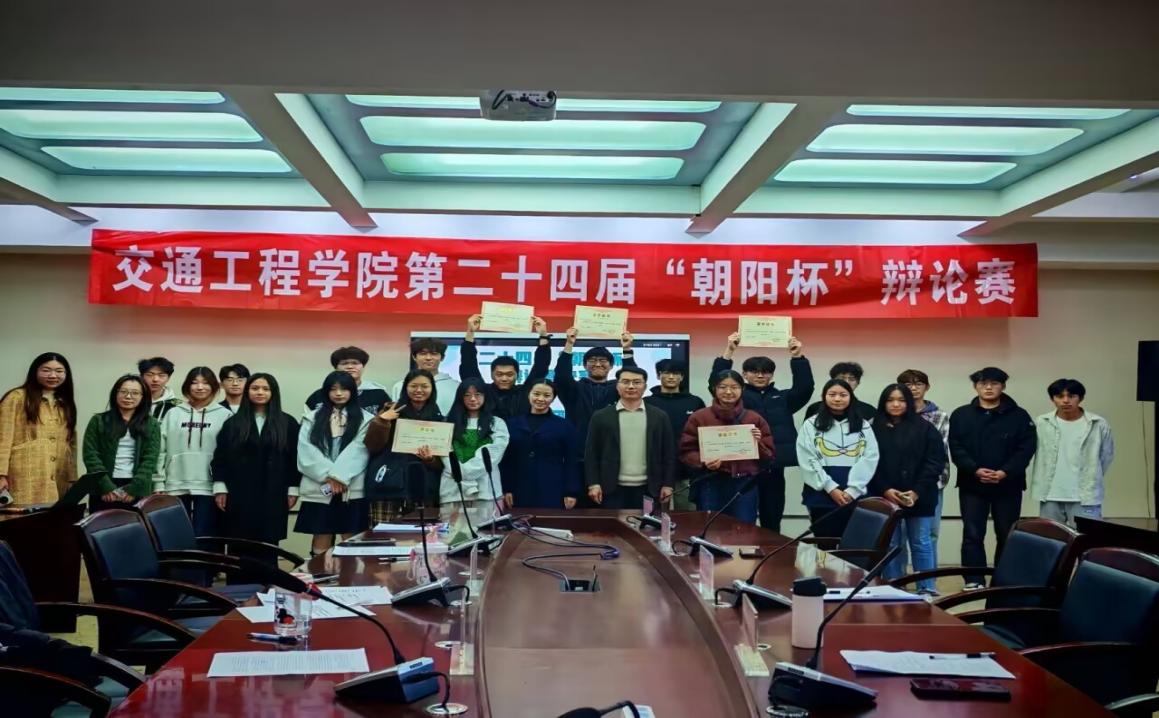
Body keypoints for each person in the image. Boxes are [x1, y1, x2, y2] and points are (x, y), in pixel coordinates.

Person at [711, 333, 813, 532]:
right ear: (744, 374)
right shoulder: (735, 398)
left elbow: (805, 388)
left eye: (765, 372)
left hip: (773, 467)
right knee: (740, 519)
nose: (760, 375)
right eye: (754, 371)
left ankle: (771, 551)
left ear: (771, 375)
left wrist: (797, 357)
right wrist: (729, 351)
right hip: (742, 467)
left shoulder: (783, 398)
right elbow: (716, 384)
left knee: (772, 519)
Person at [949, 367, 1037, 588]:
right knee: (972, 533)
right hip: (972, 484)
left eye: (994, 383)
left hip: (1008, 484)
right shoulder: (961, 414)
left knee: (1007, 534)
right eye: (983, 383)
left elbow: (1026, 448)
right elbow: (956, 447)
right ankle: (973, 579)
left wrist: (1005, 471)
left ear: (1003, 386)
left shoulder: (1019, 416)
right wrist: (975, 469)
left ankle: (1003, 580)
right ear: (975, 386)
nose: (988, 388)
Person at [212, 373, 301, 563]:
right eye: (255, 388)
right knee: (239, 542)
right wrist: (220, 487)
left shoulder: (287, 423)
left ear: (273, 393)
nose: (260, 392)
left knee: (268, 544)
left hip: (274, 492)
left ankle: (267, 580)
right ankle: (238, 581)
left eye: (265, 389)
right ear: (247, 392)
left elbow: (294, 459)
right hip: (239, 492)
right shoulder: (233, 423)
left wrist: (293, 488)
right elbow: (220, 457)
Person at [869, 384, 947, 595]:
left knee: (921, 541)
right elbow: (868, 464)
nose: (896, 404)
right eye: (890, 400)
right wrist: (885, 489)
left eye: (901, 400)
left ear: (909, 403)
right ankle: (894, 586)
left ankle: (927, 588)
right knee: (891, 542)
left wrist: (916, 491)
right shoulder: (872, 428)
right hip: (886, 495)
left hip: (919, 495)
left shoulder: (925, 428)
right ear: (883, 403)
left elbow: (935, 462)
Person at [678, 370, 774, 524]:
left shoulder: (754, 418)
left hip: (744, 484)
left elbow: (769, 455)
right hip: (711, 482)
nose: (728, 392)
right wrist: (704, 461)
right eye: (722, 387)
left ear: (742, 389)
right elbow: (686, 451)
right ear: (714, 389)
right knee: (711, 529)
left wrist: (758, 443)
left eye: (734, 387)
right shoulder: (699, 417)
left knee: (743, 530)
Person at [296, 371, 372, 555]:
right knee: (321, 533)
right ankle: (320, 571)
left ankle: (351, 572)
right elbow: (306, 450)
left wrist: (339, 476)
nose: (338, 393)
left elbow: (360, 449)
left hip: (351, 486)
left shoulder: (366, 419)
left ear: (352, 391)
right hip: (320, 485)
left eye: (344, 389)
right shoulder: (311, 418)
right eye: (333, 389)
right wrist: (329, 477)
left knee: (351, 535)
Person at [797, 378, 880, 539]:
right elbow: (807, 458)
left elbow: (870, 457)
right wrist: (831, 488)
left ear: (851, 397)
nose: (837, 399)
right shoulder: (811, 424)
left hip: (855, 493)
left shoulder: (863, 425)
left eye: (843, 395)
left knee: (854, 542)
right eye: (832, 394)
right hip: (821, 493)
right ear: (824, 396)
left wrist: (853, 490)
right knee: (825, 542)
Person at [152, 367, 231, 535]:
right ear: (187, 386)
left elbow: (228, 455)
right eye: (194, 383)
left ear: (214, 387)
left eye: (205, 383)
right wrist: (158, 481)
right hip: (175, 484)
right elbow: (160, 450)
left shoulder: (225, 415)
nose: (200, 387)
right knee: (177, 535)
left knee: (206, 536)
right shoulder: (173, 413)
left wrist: (222, 485)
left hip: (209, 486)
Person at [584, 366, 675, 510]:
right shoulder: (601, 416)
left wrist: (668, 484)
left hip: (649, 489)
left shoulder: (659, 416)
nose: (631, 386)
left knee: (647, 524)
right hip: (611, 488)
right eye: (625, 382)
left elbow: (669, 453)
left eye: (637, 382)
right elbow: (591, 453)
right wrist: (593, 484)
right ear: (617, 386)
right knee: (613, 525)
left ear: (645, 386)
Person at [1029, 378, 1115, 529]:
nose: (1065, 401)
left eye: (1071, 396)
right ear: (1052, 399)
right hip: (1050, 494)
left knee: (1087, 539)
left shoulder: (1097, 423)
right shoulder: (1042, 422)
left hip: (1085, 496)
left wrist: (1092, 475)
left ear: (1080, 398)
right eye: (1059, 396)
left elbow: (1106, 456)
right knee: (1051, 539)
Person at [365, 369, 445, 523]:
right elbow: (372, 446)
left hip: (422, 487)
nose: (419, 390)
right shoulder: (390, 410)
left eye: (424, 386)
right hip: (389, 485)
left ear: (432, 389)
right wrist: (383, 420)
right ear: (405, 387)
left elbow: (441, 462)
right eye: (413, 386)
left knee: (421, 534)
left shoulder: (438, 417)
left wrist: (430, 460)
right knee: (385, 535)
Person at [0, 352, 77, 505]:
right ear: (35, 371)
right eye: (46, 370)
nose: (53, 375)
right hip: (23, 476)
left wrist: (72, 477)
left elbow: (71, 443)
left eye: (59, 371)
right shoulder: (16, 397)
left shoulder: (65, 403)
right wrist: (1, 475)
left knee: (52, 517)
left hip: (58, 476)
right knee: (22, 517)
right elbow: (3, 437)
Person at [82, 375, 161, 514]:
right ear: (115, 393)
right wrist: (106, 486)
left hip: (136, 487)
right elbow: (90, 455)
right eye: (123, 391)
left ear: (143, 397)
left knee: (134, 526)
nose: (128, 396)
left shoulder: (152, 424)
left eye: (135, 393)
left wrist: (134, 489)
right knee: (101, 525)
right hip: (103, 485)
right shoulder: (99, 420)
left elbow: (150, 459)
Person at [501, 380, 582, 510]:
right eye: (536, 394)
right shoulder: (512, 424)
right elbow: (507, 460)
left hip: (552, 486)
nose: (540, 399)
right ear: (529, 394)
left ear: (553, 398)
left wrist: (571, 491)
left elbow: (571, 461)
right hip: (519, 486)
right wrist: (507, 488)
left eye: (547, 395)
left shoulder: (564, 425)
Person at [896, 369, 951, 561]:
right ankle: (899, 577)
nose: (913, 388)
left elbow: (938, 451)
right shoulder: (893, 414)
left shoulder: (939, 415)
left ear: (927, 387)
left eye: (918, 384)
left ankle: (928, 577)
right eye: (908, 384)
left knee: (929, 534)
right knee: (898, 535)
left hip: (931, 482)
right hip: (899, 483)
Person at [438, 378, 510, 513]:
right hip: (453, 490)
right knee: (454, 527)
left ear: (485, 396)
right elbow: (446, 456)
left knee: (488, 526)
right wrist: (461, 474)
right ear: (460, 397)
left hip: (487, 490)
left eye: (477, 394)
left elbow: (493, 454)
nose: (472, 399)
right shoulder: (447, 423)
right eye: (467, 395)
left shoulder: (496, 423)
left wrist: (463, 472)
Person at [461, 314, 552, 418]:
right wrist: (470, 332)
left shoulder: (525, 392)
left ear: (517, 375)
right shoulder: (483, 392)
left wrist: (543, 335)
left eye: (509, 374)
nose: (504, 379)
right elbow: (469, 366)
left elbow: (540, 367)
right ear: (492, 375)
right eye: (499, 374)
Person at [645, 358, 706, 510]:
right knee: (653, 515)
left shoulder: (695, 402)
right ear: (658, 375)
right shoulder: (646, 402)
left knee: (687, 515)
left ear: (682, 377)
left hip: (686, 469)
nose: (671, 377)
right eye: (666, 373)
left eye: (676, 373)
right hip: (654, 469)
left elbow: (704, 432)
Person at [306, 346, 391, 413]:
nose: (350, 367)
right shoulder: (319, 396)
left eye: (355, 363)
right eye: (344, 363)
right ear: (336, 367)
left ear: (363, 366)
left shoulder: (378, 394)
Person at [391, 339, 459, 415]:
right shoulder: (400, 386)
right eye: (423, 354)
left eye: (434, 354)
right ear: (414, 357)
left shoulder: (456, 386)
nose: (428, 358)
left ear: (442, 357)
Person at [805, 362, 876, 419]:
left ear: (858, 383)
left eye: (851, 379)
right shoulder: (815, 408)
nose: (847, 382)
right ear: (832, 381)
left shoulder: (869, 410)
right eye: (842, 378)